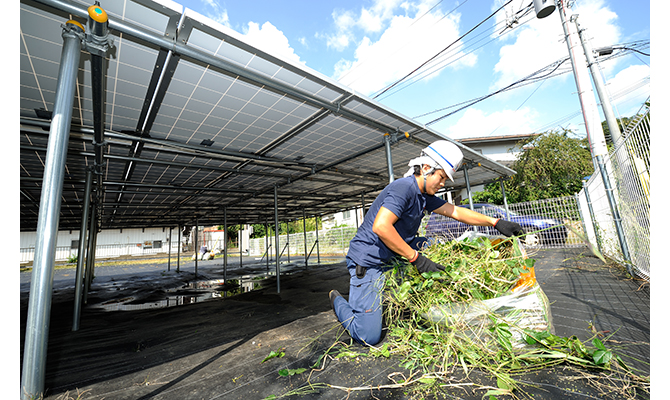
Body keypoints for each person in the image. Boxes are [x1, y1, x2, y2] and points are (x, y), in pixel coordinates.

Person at [329, 140, 524, 346]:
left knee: (437, 245)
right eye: (441, 177)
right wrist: (416, 259)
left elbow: (456, 211)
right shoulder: (403, 188)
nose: (443, 184)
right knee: (368, 336)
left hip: (394, 253)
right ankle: (338, 300)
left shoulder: (424, 195)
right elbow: (381, 227)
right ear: (426, 168)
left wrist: (495, 222)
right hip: (369, 261)